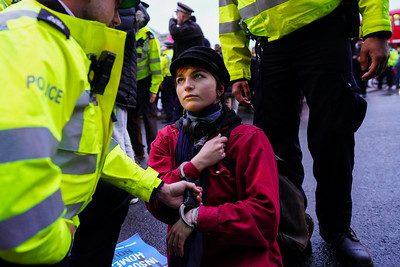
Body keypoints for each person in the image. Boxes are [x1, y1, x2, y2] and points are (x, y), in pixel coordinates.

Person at [0, 0, 202, 266]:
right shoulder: (32, 41)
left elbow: (92, 146)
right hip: (36, 246)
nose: (118, 19)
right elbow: (14, 191)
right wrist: (59, 240)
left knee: (113, 194)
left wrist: (156, 188)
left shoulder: (56, 41)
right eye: (118, 4)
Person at [219, 1, 391, 266]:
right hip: (269, 45)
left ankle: (337, 228)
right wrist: (237, 70)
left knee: (334, 134)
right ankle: (292, 232)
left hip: (323, 30)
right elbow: (228, 15)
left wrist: (376, 29)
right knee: (274, 148)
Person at [147, 46, 282, 267]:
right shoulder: (166, 138)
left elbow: (264, 219)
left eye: (198, 76)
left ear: (220, 88)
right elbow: (154, 201)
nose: (187, 86)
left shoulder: (249, 139)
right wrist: (192, 166)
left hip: (244, 257)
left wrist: (196, 217)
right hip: (187, 256)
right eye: (180, 80)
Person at [127, 20, 163, 169]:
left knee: (150, 118)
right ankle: (138, 152)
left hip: (146, 83)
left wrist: (154, 89)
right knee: (131, 118)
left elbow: (156, 65)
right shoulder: (125, 30)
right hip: (129, 81)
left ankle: (155, 153)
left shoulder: (149, 36)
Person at [159, 41, 176, 124]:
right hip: (175, 78)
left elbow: (161, 68)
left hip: (167, 80)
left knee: (167, 99)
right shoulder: (175, 53)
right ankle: (176, 117)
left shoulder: (165, 56)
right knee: (176, 98)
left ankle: (169, 117)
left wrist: (160, 81)